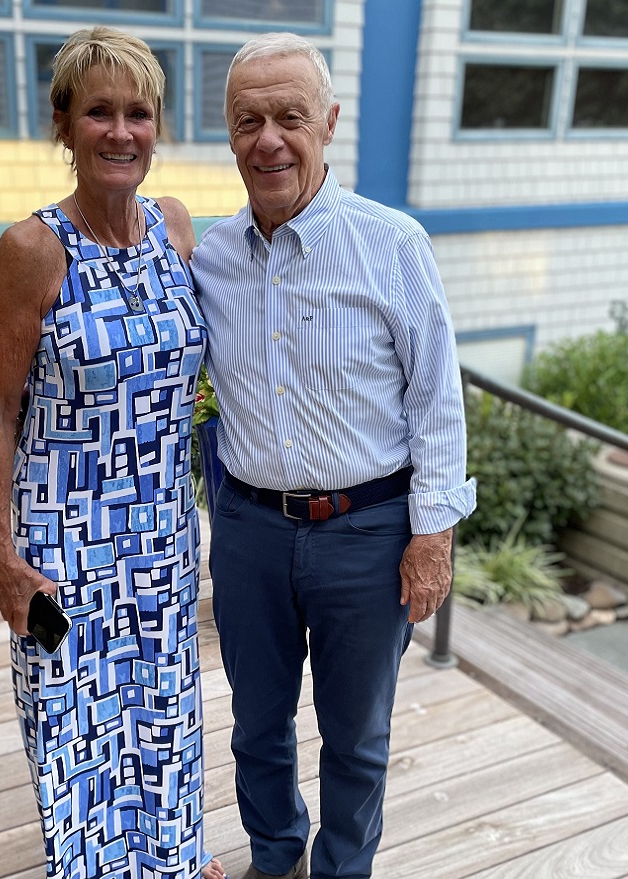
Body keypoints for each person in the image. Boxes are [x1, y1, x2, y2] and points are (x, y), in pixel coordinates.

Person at [190, 33, 476, 879]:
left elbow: (436, 399)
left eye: (289, 116)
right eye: (248, 121)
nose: (268, 140)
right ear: (228, 133)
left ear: (329, 123)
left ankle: (342, 870)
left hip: (368, 532)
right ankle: (274, 856)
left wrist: (432, 534)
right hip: (248, 527)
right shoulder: (208, 255)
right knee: (256, 724)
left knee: (356, 735)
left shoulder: (392, 244)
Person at [0, 26, 224, 879]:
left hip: (160, 533)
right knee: (74, 730)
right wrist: (2, 558)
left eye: (138, 113)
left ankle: (174, 856)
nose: (121, 131)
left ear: (157, 126)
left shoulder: (175, 227)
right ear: (63, 125)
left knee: (163, 709)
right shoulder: (32, 249)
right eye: (99, 112)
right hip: (64, 543)